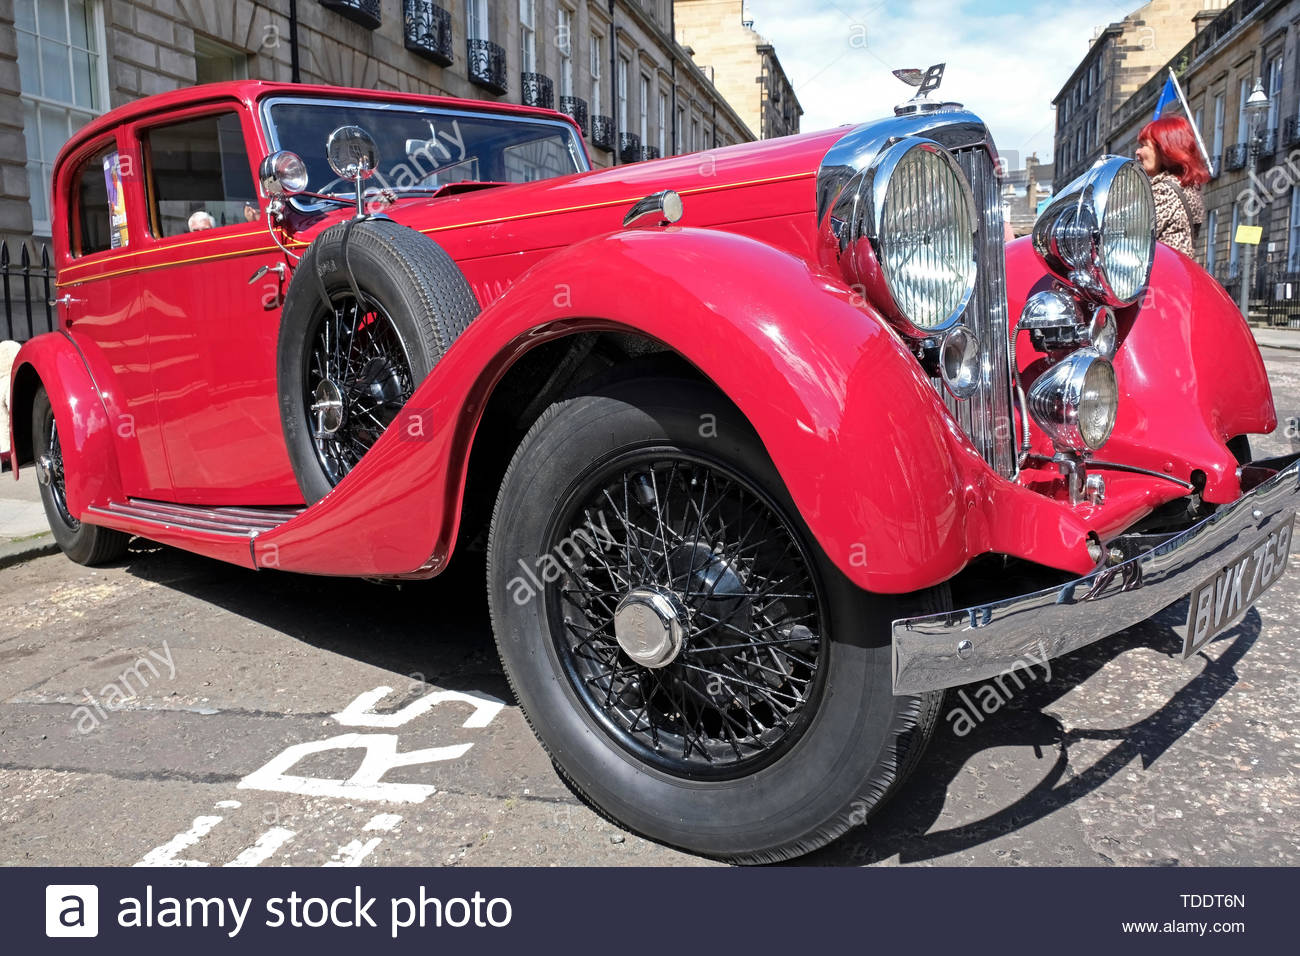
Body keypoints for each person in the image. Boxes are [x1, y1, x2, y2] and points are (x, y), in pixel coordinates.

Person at [1134, 115, 1208, 257]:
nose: (1138, 151)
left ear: (1164, 149)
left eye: (1144, 145)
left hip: (1160, 275)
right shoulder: (1186, 186)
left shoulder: (1166, 191)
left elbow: (1130, 236)